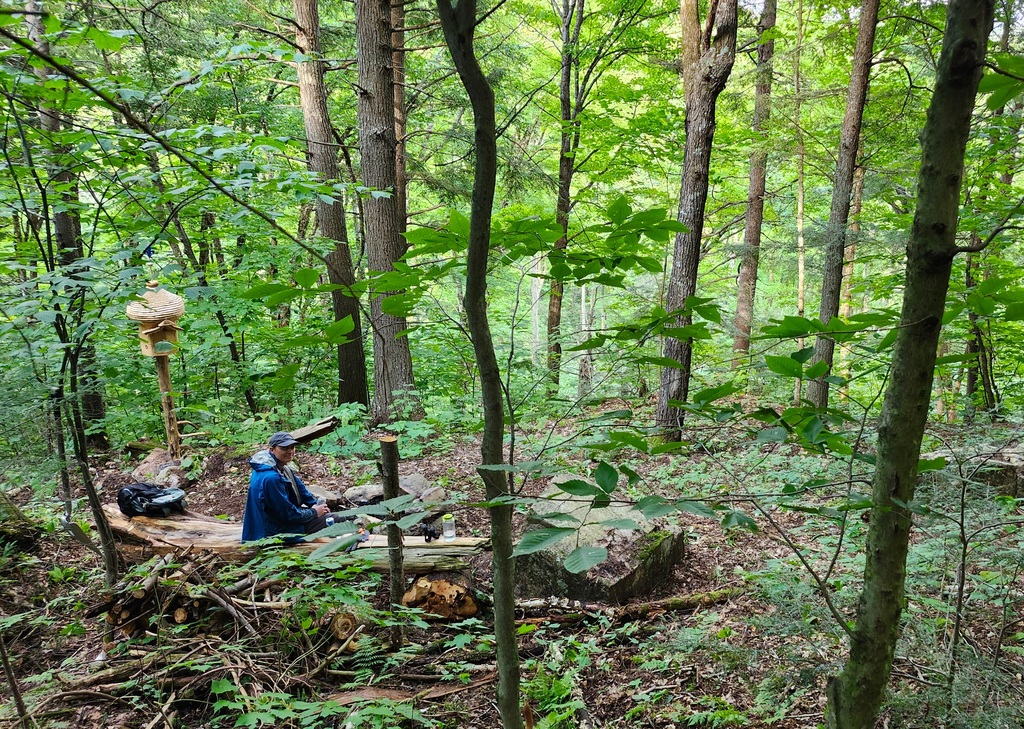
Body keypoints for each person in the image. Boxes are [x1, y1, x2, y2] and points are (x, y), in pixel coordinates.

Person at [241, 431, 343, 543]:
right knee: (336, 519)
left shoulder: (280, 467)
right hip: (273, 530)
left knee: (329, 516)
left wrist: (314, 504)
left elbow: (300, 490)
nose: (290, 451)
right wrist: (314, 513)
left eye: (292, 447)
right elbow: (287, 514)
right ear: (272, 449)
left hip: (275, 522)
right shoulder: (271, 478)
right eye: (284, 448)